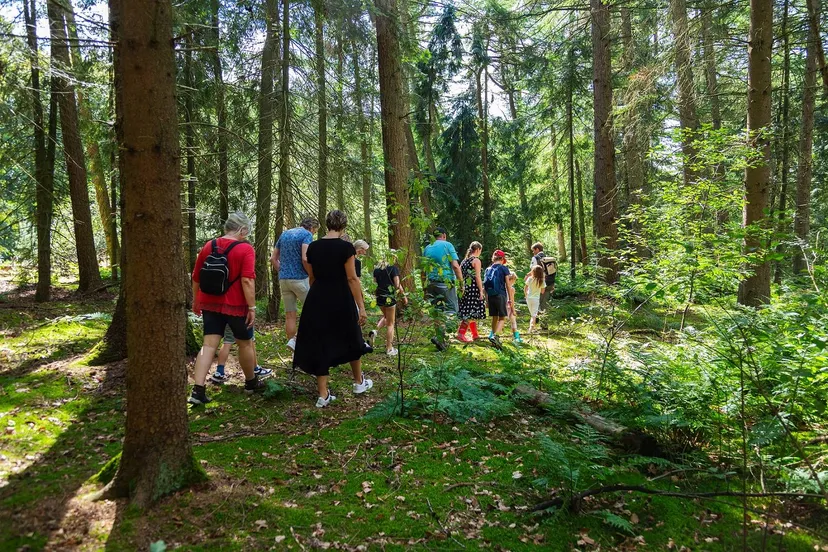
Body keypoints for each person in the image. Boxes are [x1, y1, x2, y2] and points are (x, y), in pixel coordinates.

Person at [292, 210, 373, 407]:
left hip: (317, 297)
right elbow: (352, 278)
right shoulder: (346, 248)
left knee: (320, 341)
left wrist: (317, 296)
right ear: (343, 225)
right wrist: (361, 307)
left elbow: (312, 277)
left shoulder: (313, 247)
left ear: (327, 224)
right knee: (352, 336)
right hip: (341, 297)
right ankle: (358, 382)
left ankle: (323, 394)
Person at [190, 212, 265, 405]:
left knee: (208, 345)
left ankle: (198, 390)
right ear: (242, 230)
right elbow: (247, 280)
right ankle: (251, 383)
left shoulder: (209, 245)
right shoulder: (245, 249)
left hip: (210, 303)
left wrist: (196, 300)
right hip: (236, 305)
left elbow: (196, 276)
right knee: (244, 344)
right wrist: (252, 307)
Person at [271, 217, 319, 351]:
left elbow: (273, 258)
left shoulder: (285, 234)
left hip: (284, 280)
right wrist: (311, 275)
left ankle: (293, 347)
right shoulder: (306, 235)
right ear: (312, 228)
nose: (314, 233)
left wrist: (283, 271)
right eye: (315, 231)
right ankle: (306, 342)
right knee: (314, 311)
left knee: (290, 315)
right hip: (300, 279)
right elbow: (305, 258)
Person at [422, 227, 464, 351]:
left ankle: (440, 342)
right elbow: (455, 266)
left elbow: (423, 270)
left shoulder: (427, 248)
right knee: (452, 310)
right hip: (445, 282)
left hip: (430, 283)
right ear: (444, 235)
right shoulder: (447, 245)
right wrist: (461, 283)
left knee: (437, 312)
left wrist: (424, 287)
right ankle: (439, 336)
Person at [373, 249, 408, 356]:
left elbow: (374, 284)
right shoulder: (393, 268)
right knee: (390, 324)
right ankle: (389, 349)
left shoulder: (376, 270)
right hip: (389, 297)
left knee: (386, 317)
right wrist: (403, 297)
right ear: (392, 258)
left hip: (379, 297)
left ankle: (374, 331)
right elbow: (397, 285)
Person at [457, 241, 486, 342]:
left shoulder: (464, 261)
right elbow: (477, 276)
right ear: (478, 250)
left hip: (465, 288)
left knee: (470, 310)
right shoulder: (476, 260)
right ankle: (461, 333)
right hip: (473, 288)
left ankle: (475, 334)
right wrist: (481, 290)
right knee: (471, 312)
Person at [483, 250, 511, 350]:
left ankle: (493, 336)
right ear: (502, 259)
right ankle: (496, 336)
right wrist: (510, 299)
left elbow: (485, 287)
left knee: (494, 317)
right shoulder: (504, 268)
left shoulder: (488, 269)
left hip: (491, 296)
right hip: (500, 295)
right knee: (502, 317)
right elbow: (508, 285)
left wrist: (486, 300)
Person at [530, 242, 557, 312]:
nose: (533, 252)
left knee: (537, 298)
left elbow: (533, 270)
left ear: (537, 249)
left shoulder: (535, 258)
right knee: (545, 299)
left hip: (540, 282)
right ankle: (545, 313)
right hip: (550, 281)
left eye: (533, 250)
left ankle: (538, 314)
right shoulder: (548, 258)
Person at [524, 265, 546, 333]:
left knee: (532, 314)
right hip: (536, 299)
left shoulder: (530, 278)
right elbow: (542, 292)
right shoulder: (542, 281)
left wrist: (526, 295)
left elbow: (525, 288)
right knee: (534, 315)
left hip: (528, 298)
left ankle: (533, 327)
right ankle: (531, 328)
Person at [506, 269, 522, 344]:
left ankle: (493, 334)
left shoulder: (502, 287)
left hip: (502, 306)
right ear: (511, 279)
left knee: (500, 321)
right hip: (509, 307)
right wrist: (513, 310)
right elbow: (512, 300)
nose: (514, 282)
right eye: (514, 280)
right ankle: (516, 337)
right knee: (513, 321)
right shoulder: (512, 289)